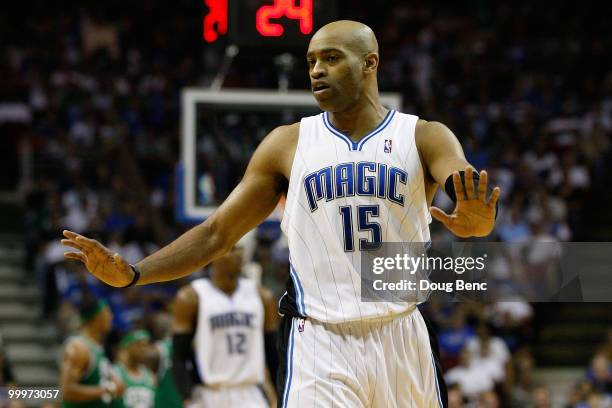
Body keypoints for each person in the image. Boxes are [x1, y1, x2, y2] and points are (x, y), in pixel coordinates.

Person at [61, 20, 500, 407]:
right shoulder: (287, 144)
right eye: (311, 60)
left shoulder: (424, 135)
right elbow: (216, 234)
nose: (316, 70)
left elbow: (465, 190)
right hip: (319, 340)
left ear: (370, 64)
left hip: (402, 334)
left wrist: (475, 221)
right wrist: (135, 273)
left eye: (332, 58)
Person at [171, 245, 277, 407]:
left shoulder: (263, 296)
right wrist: (186, 395)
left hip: (250, 392)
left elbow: (273, 353)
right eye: (230, 248)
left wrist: (278, 391)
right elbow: (179, 355)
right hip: (208, 392)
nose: (235, 254)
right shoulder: (191, 297)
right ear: (211, 255)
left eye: (238, 249)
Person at [60, 296, 124, 407]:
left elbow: (117, 386)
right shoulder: (79, 348)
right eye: (107, 313)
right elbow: (67, 391)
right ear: (97, 316)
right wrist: (107, 390)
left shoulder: (98, 348)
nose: (111, 317)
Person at [113, 330, 156, 408]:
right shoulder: (115, 372)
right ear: (128, 347)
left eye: (146, 346)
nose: (144, 349)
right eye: (139, 345)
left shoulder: (150, 375)